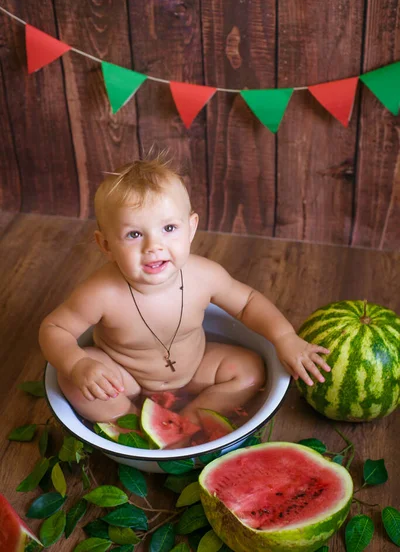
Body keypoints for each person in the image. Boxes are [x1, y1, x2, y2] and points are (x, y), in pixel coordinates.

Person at [39, 156, 331, 425]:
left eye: (168, 228)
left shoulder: (204, 275)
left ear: (191, 228)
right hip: (126, 379)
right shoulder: (101, 293)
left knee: (250, 369)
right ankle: (129, 425)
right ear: (106, 245)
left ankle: (191, 419)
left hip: (196, 370)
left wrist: (285, 337)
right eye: (134, 234)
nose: (153, 246)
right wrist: (78, 363)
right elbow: (54, 328)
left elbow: (248, 303)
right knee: (72, 382)